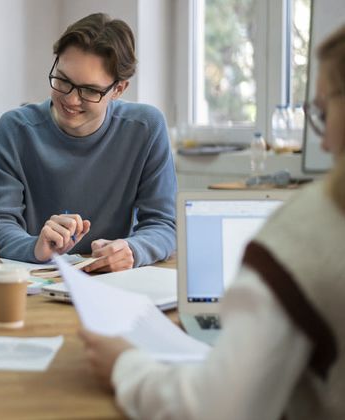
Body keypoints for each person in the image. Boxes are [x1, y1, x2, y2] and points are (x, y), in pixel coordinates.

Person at [79, 24, 345, 420]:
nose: (322, 143)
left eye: (322, 114)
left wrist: (126, 365)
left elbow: (214, 408)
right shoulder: (17, 127)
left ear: (118, 89)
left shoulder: (307, 232)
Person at [0, 13, 176, 272]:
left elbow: (163, 224)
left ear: (118, 89)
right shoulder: (16, 129)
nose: (71, 100)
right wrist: (34, 247)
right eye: (63, 81)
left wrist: (133, 250)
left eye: (90, 90)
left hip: (116, 280)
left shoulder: (146, 128)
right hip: (37, 277)